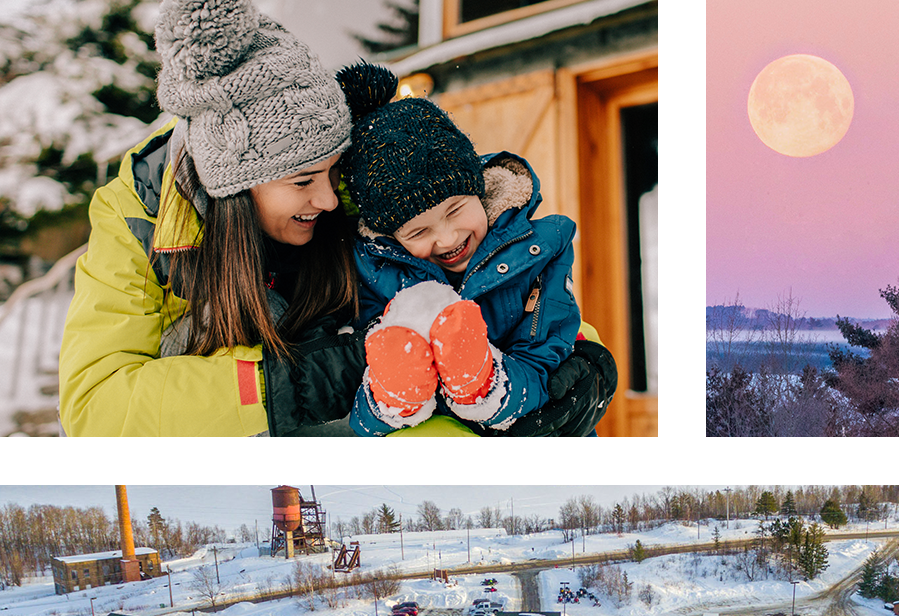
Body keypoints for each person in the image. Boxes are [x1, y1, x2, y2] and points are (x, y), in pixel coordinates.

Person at [58, 0, 613, 437]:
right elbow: (96, 407)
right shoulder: (141, 219)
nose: (329, 199)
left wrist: (585, 361)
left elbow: (496, 268)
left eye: (331, 171)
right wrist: (308, 379)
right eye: (302, 181)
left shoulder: (359, 183)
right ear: (233, 187)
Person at [333, 62, 616, 436]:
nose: (448, 238)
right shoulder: (371, 273)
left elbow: (547, 354)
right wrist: (387, 398)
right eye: (419, 231)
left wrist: (489, 386)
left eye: (455, 210)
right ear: (391, 238)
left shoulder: (538, 253)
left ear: (478, 192)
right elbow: (356, 385)